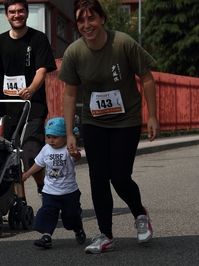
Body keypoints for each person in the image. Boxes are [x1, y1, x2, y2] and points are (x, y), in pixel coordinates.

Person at [58, 0, 160, 254]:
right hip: (94, 121)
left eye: (91, 18)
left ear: (102, 19)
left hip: (126, 120)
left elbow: (146, 77)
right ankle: (105, 234)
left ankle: (140, 214)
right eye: (81, 21)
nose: (86, 25)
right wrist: (70, 132)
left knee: (120, 176)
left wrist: (153, 116)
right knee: (98, 177)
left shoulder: (123, 43)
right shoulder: (74, 53)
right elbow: (70, 94)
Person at [0, 0, 57, 203]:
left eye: (21, 11)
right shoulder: (1, 42)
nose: (17, 15)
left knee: (30, 154)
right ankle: (19, 202)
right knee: (7, 157)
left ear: (27, 13)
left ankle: (43, 188)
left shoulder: (38, 39)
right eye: (12, 11)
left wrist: (30, 89)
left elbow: (42, 71)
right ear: (6, 15)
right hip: (7, 109)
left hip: (33, 107)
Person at [22, 117, 86, 249]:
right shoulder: (46, 149)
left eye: (55, 137)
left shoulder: (68, 149)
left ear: (65, 136)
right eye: (48, 136)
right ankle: (46, 237)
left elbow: (77, 158)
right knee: (48, 213)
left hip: (69, 192)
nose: (51, 140)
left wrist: (75, 154)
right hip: (50, 191)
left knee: (71, 217)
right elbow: (39, 163)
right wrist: (28, 173)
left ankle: (78, 228)